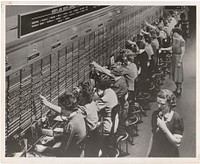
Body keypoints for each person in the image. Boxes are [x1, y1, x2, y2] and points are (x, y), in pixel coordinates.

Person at [148, 89, 184, 157]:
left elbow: (177, 144)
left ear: (170, 104)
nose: (159, 106)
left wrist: (164, 128)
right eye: (158, 103)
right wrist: (148, 155)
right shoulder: (155, 114)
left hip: (169, 155)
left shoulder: (176, 119)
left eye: (162, 104)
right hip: (156, 153)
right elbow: (153, 136)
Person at [95, 78, 118, 157]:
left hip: (107, 126)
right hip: (113, 121)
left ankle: (101, 153)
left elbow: (95, 108)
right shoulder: (110, 92)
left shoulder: (105, 98)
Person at [160, 27, 185, 95]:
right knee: (174, 73)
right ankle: (177, 88)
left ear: (177, 33)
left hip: (178, 58)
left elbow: (182, 52)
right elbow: (172, 48)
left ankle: (179, 89)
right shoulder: (175, 39)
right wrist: (163, 49)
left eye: (174, 33)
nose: (173, 34)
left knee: (178, 74)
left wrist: (180, 61)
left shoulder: (181, 40)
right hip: (173, 57)